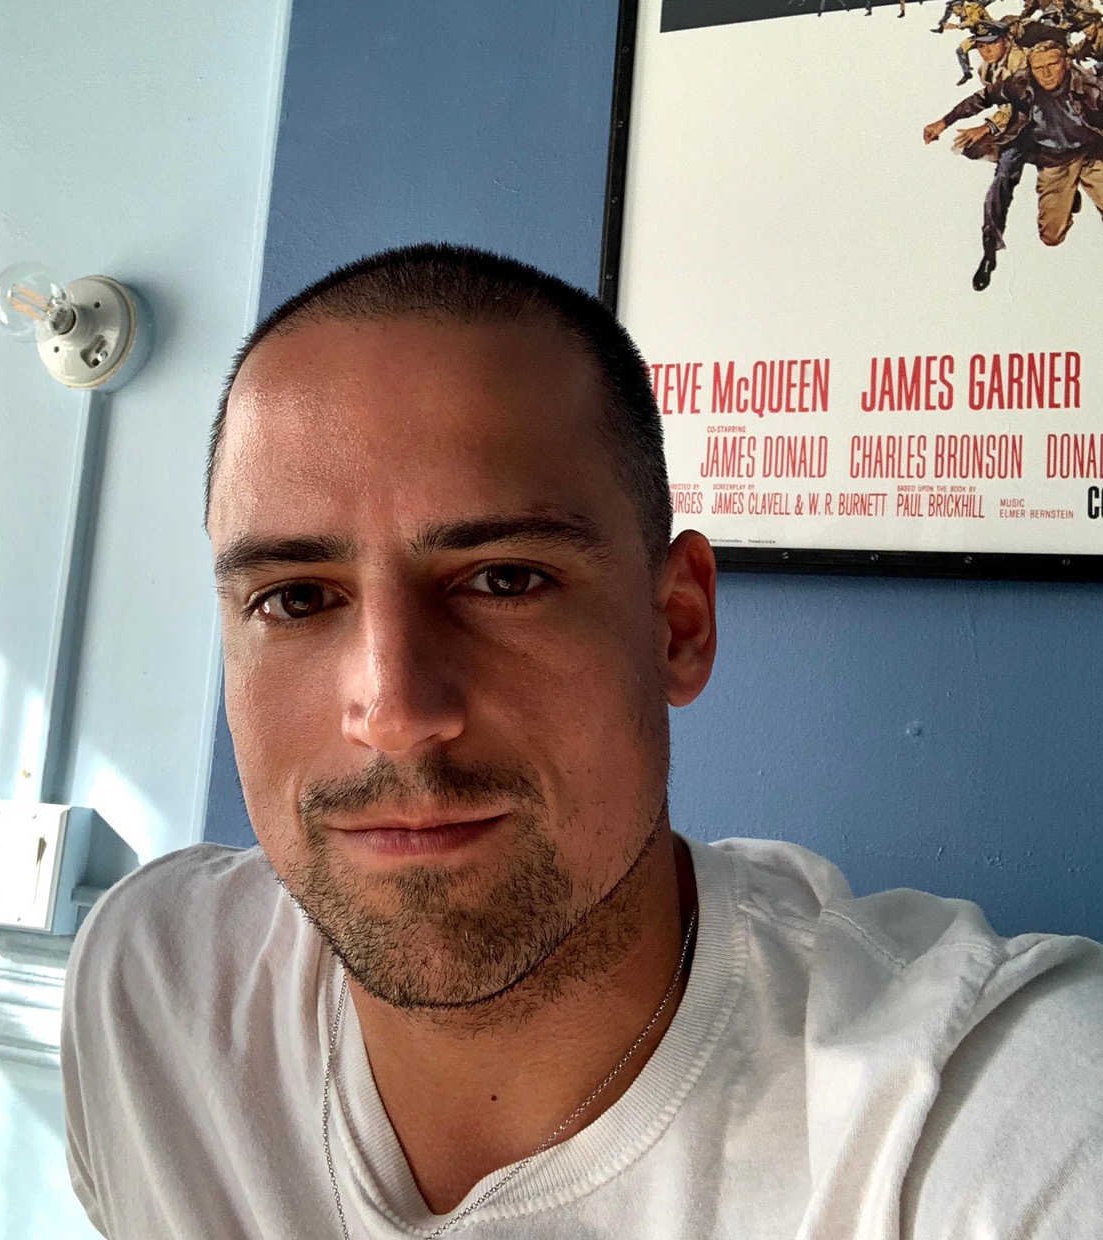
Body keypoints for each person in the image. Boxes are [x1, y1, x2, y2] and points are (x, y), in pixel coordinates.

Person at [61, 245, 1103, 1239]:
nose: (394, 710)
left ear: (676, 627)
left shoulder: (996, 1110)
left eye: (503, 579)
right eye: (295, 598)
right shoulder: (149, 992)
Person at [925, 40, 1103, 263]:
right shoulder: (1020, 83)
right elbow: (983, 98)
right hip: (1055, 161)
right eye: (1038, 68)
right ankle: (1069, 195)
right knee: (1051, 236)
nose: (1046, 74)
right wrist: (943, 122)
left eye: (1052, 65)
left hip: (1093, 155)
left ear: (1066, 63)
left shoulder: (1090, 86)